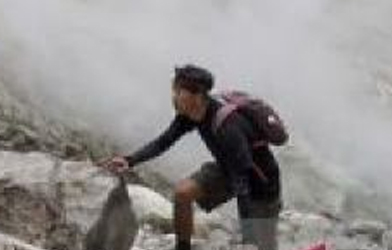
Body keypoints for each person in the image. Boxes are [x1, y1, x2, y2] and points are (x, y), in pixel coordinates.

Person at [102, 65, 282, 250]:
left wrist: (249, 240)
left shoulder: (228, 128)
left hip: (260, 183)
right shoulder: (190, 115)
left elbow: (243, 184)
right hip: (227, 168)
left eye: (178, 91)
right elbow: (164, 141)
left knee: (262, 246)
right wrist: (130, 160)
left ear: (196, 97)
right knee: (183, 193)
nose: (174, 96)